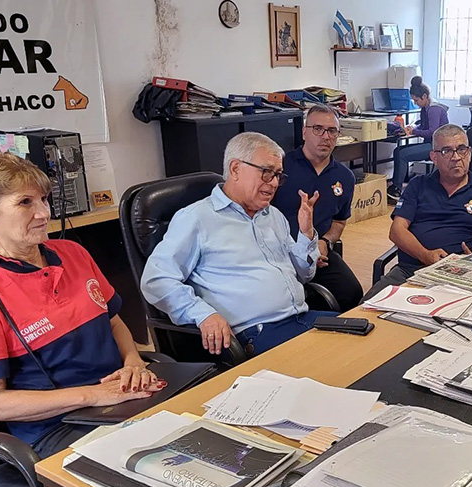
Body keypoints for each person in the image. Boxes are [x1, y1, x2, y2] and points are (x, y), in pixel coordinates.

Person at [0, 153, 166, 458]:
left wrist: (133, 361)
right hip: (58, 428)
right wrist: (93, 395)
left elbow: (113, 321)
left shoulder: (72, 252)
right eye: (25, 202)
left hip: (122, 398)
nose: (44, 213)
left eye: (44, 199)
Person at [141, 133, 336, 358]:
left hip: (302, 318)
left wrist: (305, 234)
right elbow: (156, 281)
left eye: (278, 175)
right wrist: (202, 314)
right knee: (335, 366)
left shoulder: (272, 215)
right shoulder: (197, 218)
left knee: (367, 334)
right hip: (256, 333)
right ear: (235, 169)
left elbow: (305, 274)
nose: (273, 183)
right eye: (266, 172)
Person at [364, 124, 472, 299]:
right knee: (364, 310)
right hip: (410, 271)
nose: (456, 157)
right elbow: (397, 231)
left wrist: (470, 264)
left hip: (459, 276)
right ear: (434, 157)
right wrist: (426, 255)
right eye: (447, 151)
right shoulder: (417, 185)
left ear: (470, 152)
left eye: (461, 149)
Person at [271, 104, 363, 311]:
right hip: (279, 255)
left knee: (351, 294)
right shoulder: (281, 167)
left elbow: (339, 221)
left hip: (318, 256)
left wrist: (325, 242)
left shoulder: (345, 177)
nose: (325, 136)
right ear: (305, 132)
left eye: (332, 131)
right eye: (318, 129)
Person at [387, 76, 450, 201]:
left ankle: (396, 188)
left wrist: (415, 131)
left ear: (425, 96)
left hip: (437, 147)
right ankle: (397, 186)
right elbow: (424, 126)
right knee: (398, 151)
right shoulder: (425, 108)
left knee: (403, 154)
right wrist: (413, 128)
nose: (415, 103)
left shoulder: (434, 109)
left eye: (416, 100)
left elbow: (433, 132)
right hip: (430, 144)